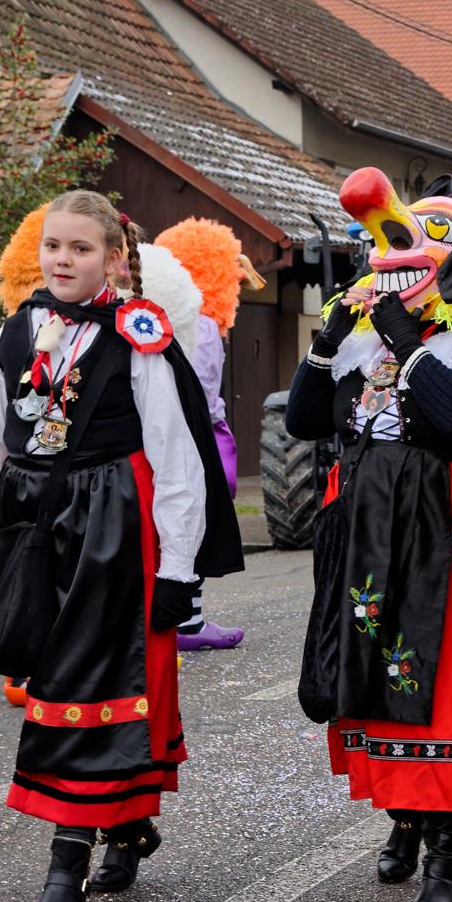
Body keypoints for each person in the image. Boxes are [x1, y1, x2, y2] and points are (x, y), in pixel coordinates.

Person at [0, 191, 242, 902]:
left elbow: (176, 456)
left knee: (97, 680)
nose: (62, 260)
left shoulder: (137, 335)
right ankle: (127, 823)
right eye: (53, 246)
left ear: (113, 257)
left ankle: (65, 859)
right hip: (32, 524)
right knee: (52, 677)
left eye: (80, 249)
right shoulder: (17, 331)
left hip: (114, 523)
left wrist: (179, 568)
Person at [288, 170, 452, 902]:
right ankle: (404, 815)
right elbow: (302, 421)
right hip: (369, 519)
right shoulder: (364, 341)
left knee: (438, 676)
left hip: (445, 521)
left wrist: (405, 340)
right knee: (374, 668)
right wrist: (329, 340)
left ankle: (446, 857)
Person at [155, 217, 266, 652]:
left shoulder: (159, 319)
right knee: (199, 521)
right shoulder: (199, 325)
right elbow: (199, 391)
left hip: (176, 433)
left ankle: (185, 617)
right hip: (199, 435)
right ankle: (190, 621)